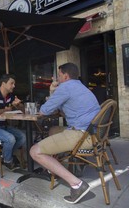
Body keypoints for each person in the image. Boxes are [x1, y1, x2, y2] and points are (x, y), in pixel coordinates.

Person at [30, 63, 100, 204]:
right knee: (53, 130)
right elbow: (63, 110)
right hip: (93, 134)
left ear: (65, 76)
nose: (58, 78)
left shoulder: (65, 87)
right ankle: (55, 166)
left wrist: (51, 91)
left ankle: (77, 185)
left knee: (34, 151)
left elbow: (44, 110)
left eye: (59, 75)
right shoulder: (81, 87)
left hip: (82, 135)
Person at [0, 74, 26, 171]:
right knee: (10, 139)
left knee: (22, 137)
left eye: (14, 83)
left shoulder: (10, 96)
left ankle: (2, 157)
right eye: (12, 83)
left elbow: (24, 111)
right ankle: (8, 161)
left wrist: (18, 105)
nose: (14, 86)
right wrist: (5, 109)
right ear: (3, 84)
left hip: (3, 127)